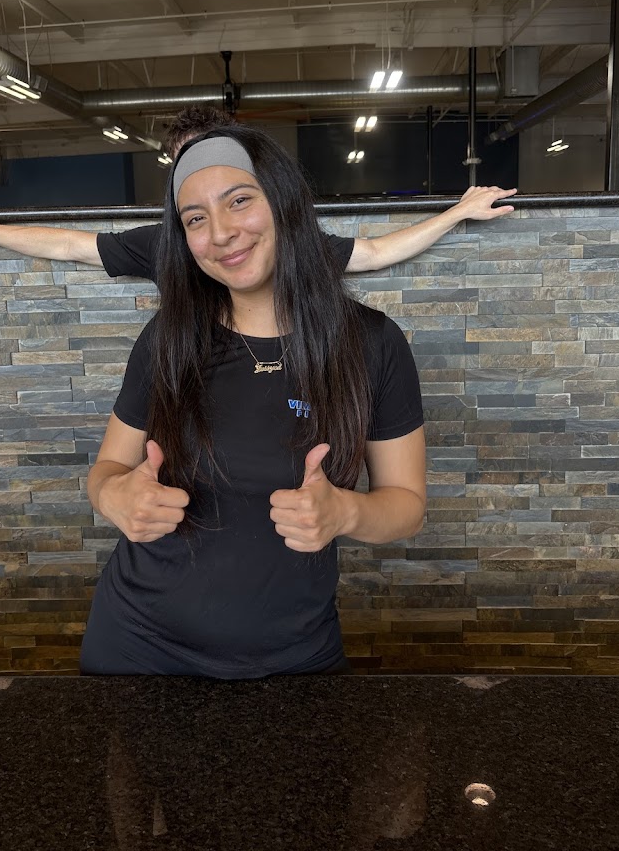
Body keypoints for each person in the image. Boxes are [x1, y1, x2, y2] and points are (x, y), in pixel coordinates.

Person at [79, 124, 427, 677]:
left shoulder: (372, 343)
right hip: (136, 648)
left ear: (285, 202)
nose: (220, 233)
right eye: (195, 219)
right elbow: (107, 470)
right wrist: (115, 496)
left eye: (239, 200)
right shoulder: (168, 337)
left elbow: (407, 505)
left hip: (297, 655)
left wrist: (347, 511)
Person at [0, 105, 517, 283]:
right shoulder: (164, 244)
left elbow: (376, 253)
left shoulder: (288, 238)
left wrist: (458, 211)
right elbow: (67, 245)